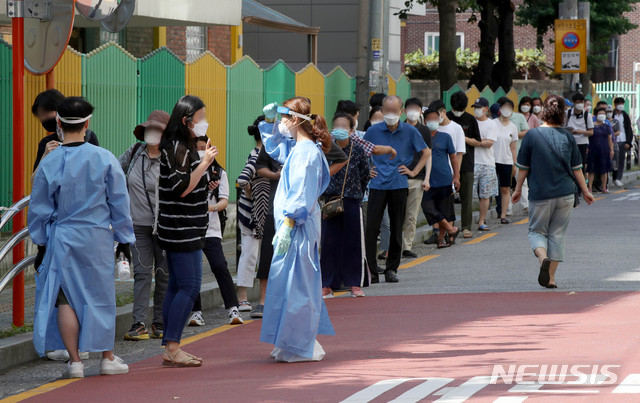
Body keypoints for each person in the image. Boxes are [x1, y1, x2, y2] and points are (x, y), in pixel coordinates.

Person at [28, 96, 133, 378]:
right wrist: (124, 240)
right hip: (98, 237)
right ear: (87, 123)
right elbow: (120, 204)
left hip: (62, 238)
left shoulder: (50, 162)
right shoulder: (105, 158)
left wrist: (40, 242)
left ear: (59, 123)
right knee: (100, 296)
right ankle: (107, 357)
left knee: (65, 300)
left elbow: (39, 209)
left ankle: (74, 362)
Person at [259, 97, 334, 362]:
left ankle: (299, 343)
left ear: (294, 121)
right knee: (289, 283)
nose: (279, 123)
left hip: (297, 228)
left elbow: (302, 193)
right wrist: (268, 121)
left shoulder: (306, 153)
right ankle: (290, 340)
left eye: (282, 118)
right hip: (293, 228)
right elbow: (275, 148)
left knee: (298, 285)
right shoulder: (299, 148)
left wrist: (289, 223)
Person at [30, 90, 97, 362]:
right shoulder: (48, 145)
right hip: (86, 232)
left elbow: (38, 201)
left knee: (66, 293)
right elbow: (35, 182)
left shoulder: (90, 145)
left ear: (59, 117)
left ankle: (75, 351)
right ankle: (85, 349)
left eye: (48, 119)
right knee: (71, 289)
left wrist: (40, 236)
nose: (47, 125)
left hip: (62, 231)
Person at [158, 95, 217, 367]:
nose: (204, 122)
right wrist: (204, 164)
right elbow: (181, 187)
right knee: (191, 287)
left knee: (178, 285)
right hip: (181, 228)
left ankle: (170, 345)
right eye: (200, 118)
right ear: (186, 121)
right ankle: (173, 345)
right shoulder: (177, 147)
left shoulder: (182, 145)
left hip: (183, 226)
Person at [513, 95, 595, 289]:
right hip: (566, 193)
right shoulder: (568, 136)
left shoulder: (532, 135)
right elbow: (577, 168)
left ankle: (543, 260)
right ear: (562, 114)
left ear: (543, 111)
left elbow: (523, 167)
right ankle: (550, 278)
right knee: (557, 235)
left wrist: (517, 189)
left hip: (541, 194)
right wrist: (586, 191)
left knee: (536, 231)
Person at [364, 95, 429, 283]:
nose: (390, 114)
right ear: (382, 111)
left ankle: (392, 268)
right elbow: (362, 152)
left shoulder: (410, 131)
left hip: (399, 183)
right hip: (377, 184)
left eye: (394, 111)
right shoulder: (373, 130)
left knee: (395, 226)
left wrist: (414, 171)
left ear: (401, 112)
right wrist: (368, 169)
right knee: (372, 228)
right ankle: (371, 269)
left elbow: (426, 152)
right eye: (387, 111)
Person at [118, 110, 170, 341]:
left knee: (163, 274)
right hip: (137, 225)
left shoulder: (171, 158)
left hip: (165, 227)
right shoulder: (134, 152)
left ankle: (159, 322)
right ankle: (138, 323)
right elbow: (113, 174)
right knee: (141, 274)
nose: (152, 133)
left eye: (158, 129)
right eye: (150, 128)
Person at [188, 137, 244, 327]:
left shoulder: (219, 173)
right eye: (197, 149)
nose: (201, 152)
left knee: (220, 266)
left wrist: (209, 208)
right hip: (191, 229)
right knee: (193, 270)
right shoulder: (188, 172)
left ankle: (233, 308)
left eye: (204, 148)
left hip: (211, 229)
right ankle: (196, 312)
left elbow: (224, 202)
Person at [321, 113, 371, 298]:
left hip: (351, 200)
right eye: (336, 126)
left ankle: (354, 284)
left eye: (344, 127)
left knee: (353, 243)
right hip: (330, 200)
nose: (339, 130)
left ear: (351, 130)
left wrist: (357, 192)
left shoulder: (357, 149)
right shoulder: (326, 149)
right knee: (328, 243)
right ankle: (327, 284)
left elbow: (365, 173)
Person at [235, 116, 270, 313]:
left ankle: (245, 296)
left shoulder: (265, 153)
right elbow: (242, 180)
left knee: (254, 254)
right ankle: (242, 297)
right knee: (249, 253)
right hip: (252, 213)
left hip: (262, 211)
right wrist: (251, 192)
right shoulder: (257, 156)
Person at [423, 100, 465, 244]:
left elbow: (453, 158)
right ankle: (450, 228)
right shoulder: (421, 137)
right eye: (429, 119)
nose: (432, 122)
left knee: (444, 210)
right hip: (427, 180)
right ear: (424, 120)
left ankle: (441, 238)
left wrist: (457, 176)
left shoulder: (445, 137)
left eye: (435, 119)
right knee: (427, 206)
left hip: (444, 178)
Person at [252, 146, 282, 319]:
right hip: (274, 208)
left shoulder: (307, 138)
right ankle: (262, 301)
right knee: (267, 255)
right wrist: (274, 175)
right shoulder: (273, 140)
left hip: (300, 210)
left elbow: (336, 159)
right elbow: (259, 167)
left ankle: (295, 301)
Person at [447, 91, 481, 239]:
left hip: (467, 164)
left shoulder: (470, 119)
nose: (458, 113)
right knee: (447, 197)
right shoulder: (446, 118)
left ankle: (466, 227)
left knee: (466, 197)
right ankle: (449, 225)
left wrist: (462, 137)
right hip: (447, 164)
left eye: (461, 109)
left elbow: (477, 141)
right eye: (456, 109)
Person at [401, 98, 432, 257]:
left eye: (416, 108)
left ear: (421, 111)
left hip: (417, 178)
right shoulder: (398, 127)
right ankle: (391, 248)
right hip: (399, 178)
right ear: (404, 111)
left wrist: (427, 178)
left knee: (412, 216)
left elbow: (428, 155)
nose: (413, 111)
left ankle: (407, 246)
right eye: (410, 108)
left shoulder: (424, 131)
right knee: (397, 214)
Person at [472, 97, 499, 231]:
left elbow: (489, 143)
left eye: (479, 107)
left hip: (487, 163)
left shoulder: (492, 124)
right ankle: (467, 221)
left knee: (485, 194)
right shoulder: (471, 122)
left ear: (486, 109)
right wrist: (481, 141)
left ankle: (482, 220)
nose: (477, 110)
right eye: (475, 107)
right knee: (470, 194)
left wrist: (473, 140)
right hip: (472, 162)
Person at [494, 97, 518, 224]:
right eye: (504, 107)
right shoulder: (493, 123)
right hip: (492, 160)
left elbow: (513, 147)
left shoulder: (513, 127)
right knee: (491, 188)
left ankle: (503, 214)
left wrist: (515, 163)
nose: (506, 110)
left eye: (509, 107)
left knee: (505, 188)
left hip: (507, 160)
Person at [565, 92, 594, 175]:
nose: (580, 104)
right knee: (570, 164)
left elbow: (591, 132)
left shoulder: (587, 115)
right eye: (578, 102)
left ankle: (581, 185)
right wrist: (570, 132)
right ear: (574, 103)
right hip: (570, 142)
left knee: (581, 165)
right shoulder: (568, 113)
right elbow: (563, 128)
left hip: (582, 143)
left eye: (581, 102)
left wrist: (581, 132)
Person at [587, 107, 614, 194]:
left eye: (603, 113)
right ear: (596, 115)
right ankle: (589, 188)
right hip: (592, 149)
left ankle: (604, 187)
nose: (602, 115)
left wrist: (611, 150)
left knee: (604, 169)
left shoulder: (607, 126)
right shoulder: (591, 126)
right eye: (600, 113)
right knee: (591, 170)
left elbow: (610, 139)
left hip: (604, 150)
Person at [612, 97, 633, 188]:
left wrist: (628, 141)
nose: (620, 105)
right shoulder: (612, 114)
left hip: (623, 139)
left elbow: (628, 129)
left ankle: (618, 178)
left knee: (621, 160)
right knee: (614, 160)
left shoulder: (624, 115)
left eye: (622, 103)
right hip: (613, 140)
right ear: (615, 104)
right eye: (619, 103)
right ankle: (613, 177)